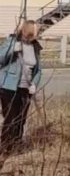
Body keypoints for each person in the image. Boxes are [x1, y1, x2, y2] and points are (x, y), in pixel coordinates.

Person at [0, 21, 43, 154]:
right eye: (32, 34)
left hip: (26, 88)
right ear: (25, 32)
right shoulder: (11, 42)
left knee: (21, 118)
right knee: (11, 118)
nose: (34, 37)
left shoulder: (35, 47)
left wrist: (34, 84)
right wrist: (12, 50)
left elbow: (38, 70)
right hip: (9, 86)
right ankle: (6, 147)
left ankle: (17, 146)